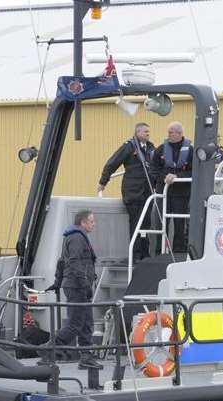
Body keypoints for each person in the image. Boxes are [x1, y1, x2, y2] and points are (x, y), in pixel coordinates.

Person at [48, 209, 102, 369]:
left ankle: (86, 356)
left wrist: (58, 282)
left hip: (77, 285)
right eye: (91, 221)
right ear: (83, 223)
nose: (94, 224)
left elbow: (61, 262)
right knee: (75, 324)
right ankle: (47, 350)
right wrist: (85, 283)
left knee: (86, 322)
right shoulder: (78, 238)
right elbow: (73, 261)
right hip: (77, 286)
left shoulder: (73, 237)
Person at [97, 123, 156, 262]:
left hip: (147, 192)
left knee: (146, 223)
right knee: (135, 223)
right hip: (133, 192)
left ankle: (145, 253)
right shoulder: (129, 146)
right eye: (145, 131)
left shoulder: (151, 148)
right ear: (138, 132)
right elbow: (112, 163)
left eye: (149, 131)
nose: (148, 134)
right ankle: (135, 255)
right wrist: (103, 182)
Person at [150, 121, 192, 253]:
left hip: (182, 193)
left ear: (179, 133)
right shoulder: (160, 149)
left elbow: (194, 171)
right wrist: (165, 177)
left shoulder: (190, 151)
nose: (168, 135)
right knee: (161, 223)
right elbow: (153, 170)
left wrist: (177, 177)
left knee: (180, 224)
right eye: (168, 132)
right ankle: (159, 251)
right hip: (163, 192)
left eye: (171, 132)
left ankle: (179, 252)